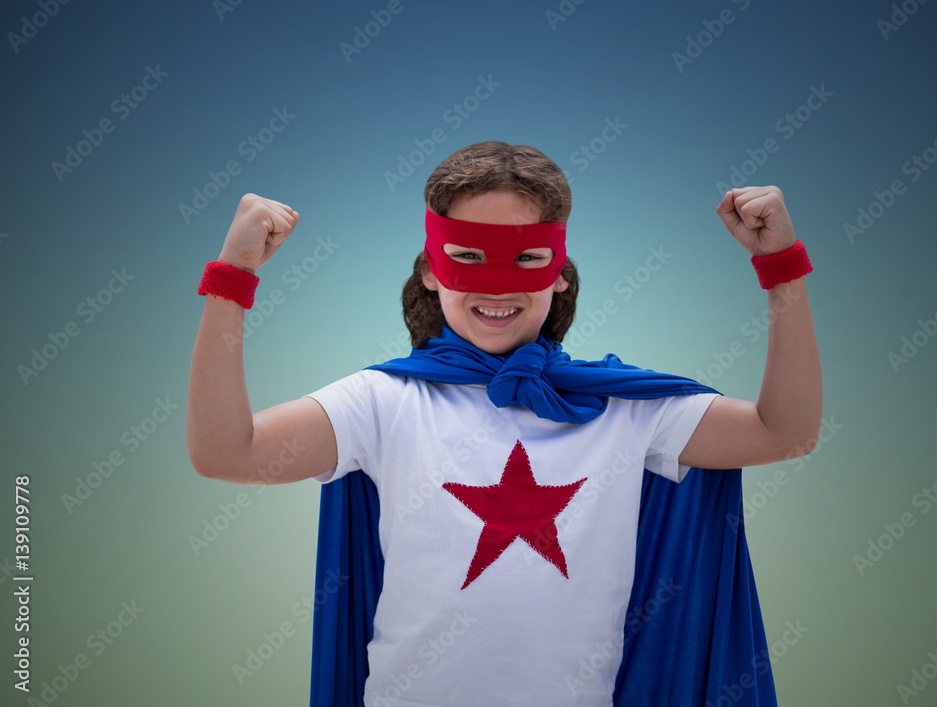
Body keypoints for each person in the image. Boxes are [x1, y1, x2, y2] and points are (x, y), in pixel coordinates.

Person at [186, 140, 821, 706]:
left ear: (561, 276)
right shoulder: (383, 402)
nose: (498, 285)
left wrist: (781, 268)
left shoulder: (628, 409)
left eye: (525, 260)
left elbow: (783, 432)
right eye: (467, 256)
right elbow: (227, 453)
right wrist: (232, 279)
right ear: (432, 273)